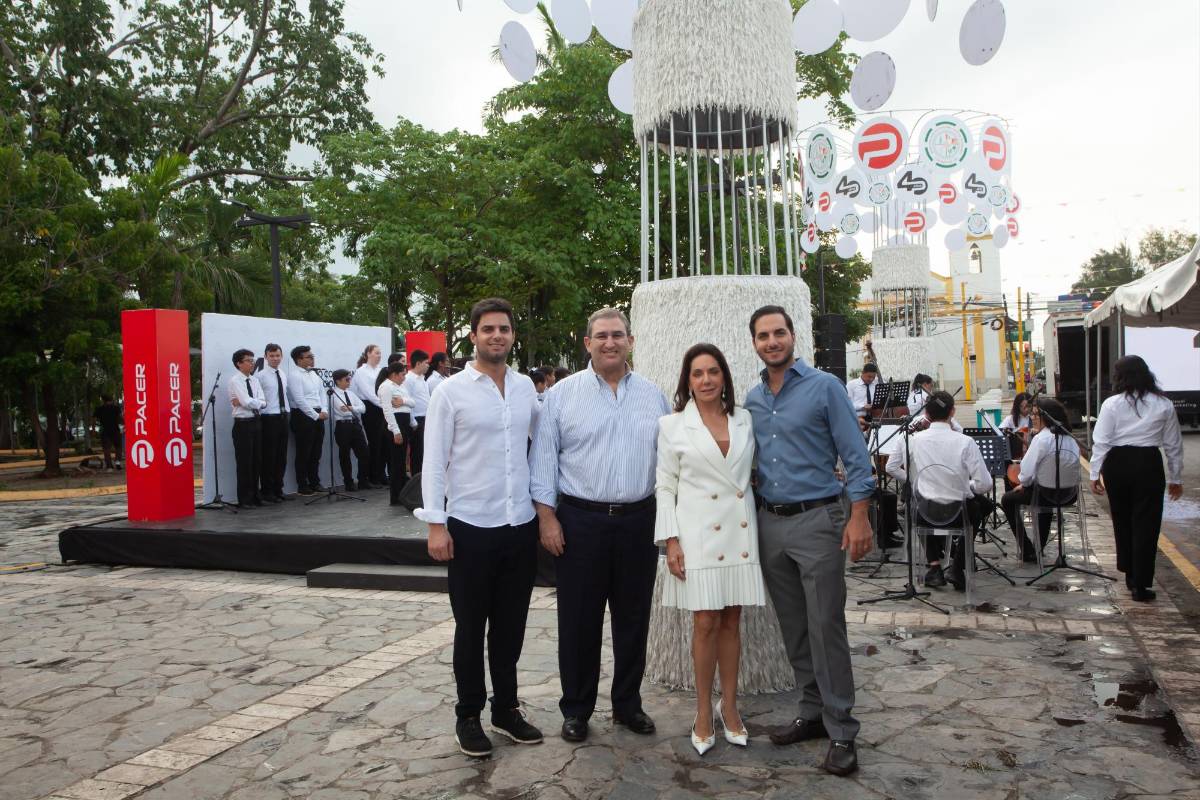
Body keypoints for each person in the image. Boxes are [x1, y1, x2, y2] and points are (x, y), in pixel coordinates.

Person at [743, 305, 873, 777]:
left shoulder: (825, 387)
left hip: (818, 520)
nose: (772, 341)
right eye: (763, 335)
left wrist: (859, 515)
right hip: (769, 525)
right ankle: (813, 711)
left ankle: (842, 730)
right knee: (794, 627)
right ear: (754, 342)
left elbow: (856, 457)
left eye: (779, 333)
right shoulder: (753, 400)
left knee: (825, 627)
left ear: (793, 336)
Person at [530, 308, 670, 745]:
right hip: (580, 522)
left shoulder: (654, 396)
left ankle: (628, 704)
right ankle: (576, 708)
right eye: (601, 336)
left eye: (618, 335)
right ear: (586, 342)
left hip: (637, 522)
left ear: (631, 340)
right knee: (579, 621)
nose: (610, 342)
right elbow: (543, 462)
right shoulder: (561, 396)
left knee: (634, 619)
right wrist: (547, 518)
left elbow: (667, 464)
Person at [417, 297, 543, 758]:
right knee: (470, 628)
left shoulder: (527, 388)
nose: (497, 336)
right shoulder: (450, 392)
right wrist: (436, 524)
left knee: (510, 628)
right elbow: (433, 462)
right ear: (473, 336)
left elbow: (543, 444)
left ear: (513, 335)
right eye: (488, 329)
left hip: (520, 525)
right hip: (470, 527)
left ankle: (505, 710)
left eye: (504, 329)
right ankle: (468, 714)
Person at [656, 343, 765, 756]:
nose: (705, 380)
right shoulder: (671, 426)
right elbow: (664, 486)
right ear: (687, 379)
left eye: (712, 372)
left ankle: (730, 707)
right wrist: (671, 542)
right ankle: (703, 711)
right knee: (704, 622)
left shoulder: (745, 420)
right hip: (697, 535)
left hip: (738, 535)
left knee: (732, 622)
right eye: (697, 373)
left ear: (724, 378)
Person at [1090, 356, 1184, 602]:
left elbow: (1101, 440)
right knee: (1147, 523)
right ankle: (1141, 584)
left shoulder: (1111, 404)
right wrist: (1175, 477)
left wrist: (1094, 473)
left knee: (1122, 520)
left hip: (1117, 463)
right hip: (1148, 463)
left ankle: (1130, 574)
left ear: (1120, 377)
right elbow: (1174, 444)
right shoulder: (1163, 404)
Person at [886, 390, 993, 591]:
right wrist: (966, 485)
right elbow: (985, 485)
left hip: (926, 512)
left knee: (914, 507)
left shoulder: (912, 440)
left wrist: (915, 481)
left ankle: (934, 566)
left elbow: (891, 467)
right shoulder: (965, 441)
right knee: (976, 509)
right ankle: (957, 566)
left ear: (926, 413)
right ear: (952, 412)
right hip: (958, 513)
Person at [1001, 397, 1078, 563]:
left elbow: (1026, 473)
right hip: (1069, 494)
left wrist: (1024, 483)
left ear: (1048, 417)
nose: (1032, 418)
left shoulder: (1041, 439)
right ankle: (1039, 547)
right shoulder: (1070, 439)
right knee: (1044, 493)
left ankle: (1028, 550)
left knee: (1008, 499)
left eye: (1036, 415)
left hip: (1044, 494)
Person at [286, 345, 328, 495]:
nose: (312, 359)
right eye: (309, 357)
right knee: (304, 452)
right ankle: (302, 484)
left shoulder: (314, 375)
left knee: (316, 451)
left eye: (312, 356)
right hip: (303, 416)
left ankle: (314, 481)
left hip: (318, 414)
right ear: (299, 359)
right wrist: (315, 415)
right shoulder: (294, 375)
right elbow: (299, 399)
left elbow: (322, 394)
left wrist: (323, 410)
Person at [228, 348, 266, 508]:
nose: (252, 363)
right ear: (239, 363)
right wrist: (254, 402)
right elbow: (246, 402)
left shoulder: (255, 380)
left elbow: (263, 402)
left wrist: (254, 402)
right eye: (248, 360)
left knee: (257, 460)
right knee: (245, 463)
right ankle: (245, 498)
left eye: (253, 360)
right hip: (242, 424)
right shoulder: (235, 380)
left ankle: (256, 496)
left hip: (256, 421)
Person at [256, 343, 290, 502]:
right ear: (266, 357)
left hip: (283, 416)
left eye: (278, 355)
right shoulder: (261, 376)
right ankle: (267, 491)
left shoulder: (282, 373)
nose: (275, 358)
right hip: (269, 418)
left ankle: (278, 489)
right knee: (269, 456)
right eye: (272, 356)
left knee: (281, 456)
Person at [352, 344, 388, 487]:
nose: (379, 355)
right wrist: (384, 404)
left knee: (383, 442)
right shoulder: (361, 372)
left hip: (382, 407)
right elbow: (369, 393)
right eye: (376, 353)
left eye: (380, 353)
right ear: (368, 354)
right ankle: (372, 476)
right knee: (374, 442)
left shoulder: (380, 370)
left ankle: (381, 474)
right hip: (371, 408)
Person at [331, 369, 372, 491]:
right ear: (338, 381)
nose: (349, 382)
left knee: (364, 453)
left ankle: (362, 480)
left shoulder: (351, 394)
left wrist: (352, 408)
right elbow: (341, 409)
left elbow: (363, 408)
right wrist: (353, 408)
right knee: (345, 455)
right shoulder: (333, 394)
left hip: (355, 424)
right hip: (343, 426)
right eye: (346, 379)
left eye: (350, 379)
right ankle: (348, 482)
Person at [378, 362, 411, 506]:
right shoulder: (386, 387)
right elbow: (387, 410)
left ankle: (403, 494)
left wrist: (403, 401)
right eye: (403, 374)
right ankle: (396, 496)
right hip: (395, 425)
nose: (404, 377)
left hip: (404, 422)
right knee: (396, 462)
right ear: (394, 374)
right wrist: (395, 431)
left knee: (402, 462)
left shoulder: (401, 387)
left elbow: (413, 403)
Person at [402, 349, 431, 478]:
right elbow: (407, 400)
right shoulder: (408, 379)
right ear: (418, 363)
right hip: (416, 419)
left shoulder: (422, 379)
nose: (428, 365)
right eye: (426, 363)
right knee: (417, 452)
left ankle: (423, 477)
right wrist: (412, 421)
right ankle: (416, 478)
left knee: (424, 451)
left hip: (426, 418)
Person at [1000, 392, 1033, 459]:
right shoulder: (1010, 419)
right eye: (1021, 406)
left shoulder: (1035, 417)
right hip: (1016, 455)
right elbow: (1000, 431)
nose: (1026, 409)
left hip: (1032, 452)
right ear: (1017, 406)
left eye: (1028, 406)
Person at [94, 395, 123, 471]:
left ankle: (109, 466)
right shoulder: (116, 408)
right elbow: (120, 418)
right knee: (118, 447)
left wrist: (93, 430)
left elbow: (93, 420)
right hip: (115, 430)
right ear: (111, 400)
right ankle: (118, 463)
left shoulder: (99, 409)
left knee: (107, 449)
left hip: (105, 431)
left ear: (103, 401)